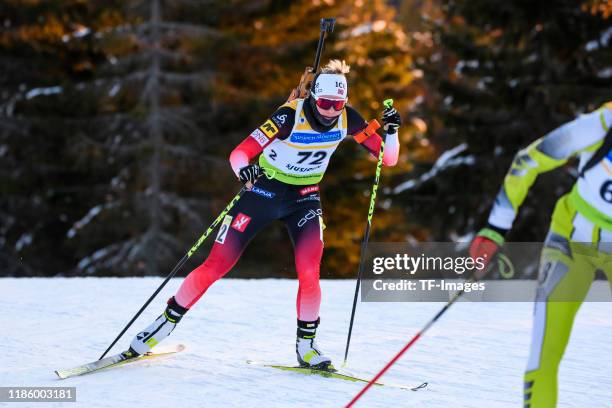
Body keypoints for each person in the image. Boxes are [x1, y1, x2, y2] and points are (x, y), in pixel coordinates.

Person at [124, 60, 402, 369]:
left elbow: (386, 158)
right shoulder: (288, 116)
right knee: (216, 264)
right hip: (263, 191)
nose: (330, 111)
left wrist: (392, 132)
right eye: (324, 102)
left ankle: (306, 347)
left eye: (338, 104)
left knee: (309, 271)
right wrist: (245, 170)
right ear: (313, 97)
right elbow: (239, 153)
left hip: (304, 198)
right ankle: (162, 325)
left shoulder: (349, 119)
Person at [469, 102, 612, 407]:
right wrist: (496, 227)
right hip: (571, 242)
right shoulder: (602, 124)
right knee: (544, 353)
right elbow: (528, 161)